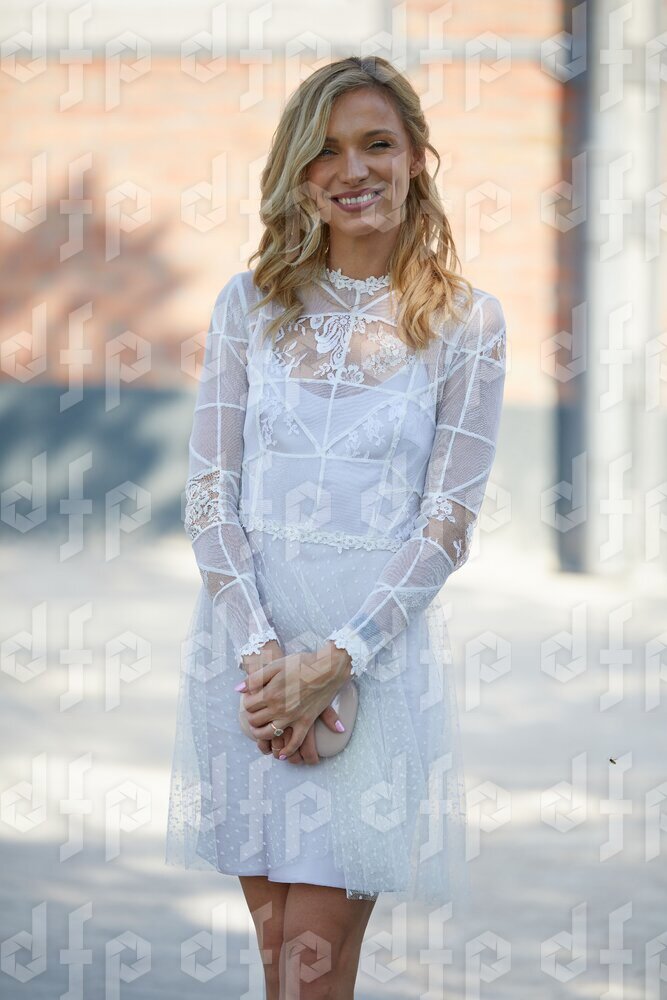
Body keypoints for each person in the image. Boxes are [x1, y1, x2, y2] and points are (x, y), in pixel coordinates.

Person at [166, 55, 507, 999]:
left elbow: (446, 523)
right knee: (283, 960)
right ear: (298, 173)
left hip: (370, 664)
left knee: (310, 970)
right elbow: (209, 499)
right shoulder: (250, 305)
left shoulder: (467, 323)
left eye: (376, 144)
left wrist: (335, 661)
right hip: (249, 666)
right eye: (325, 150)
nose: (352, 170)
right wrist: (264, 661)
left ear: (416, 158)